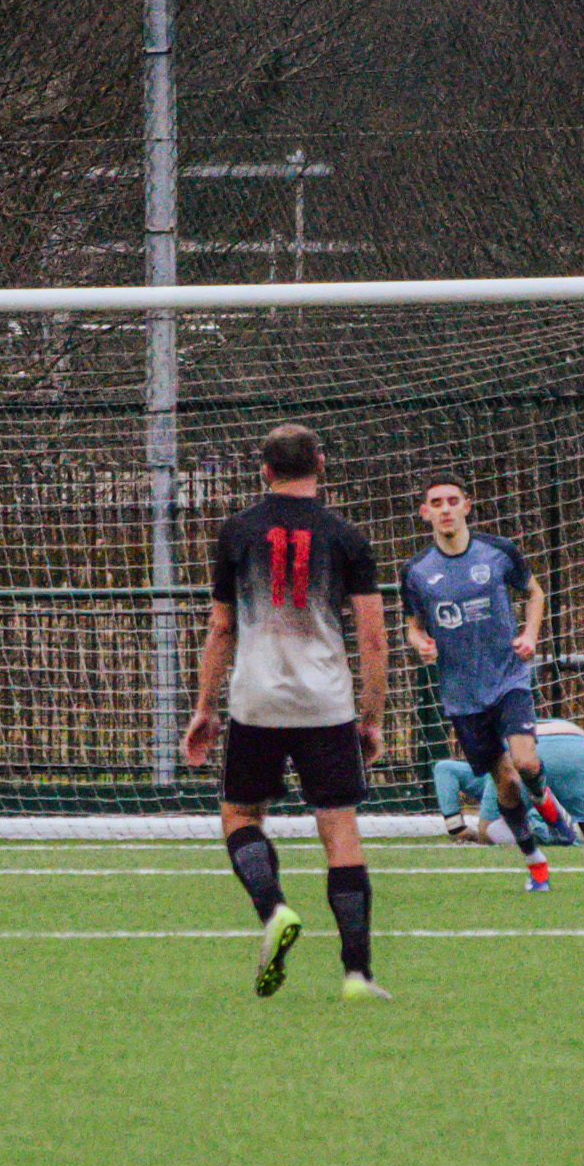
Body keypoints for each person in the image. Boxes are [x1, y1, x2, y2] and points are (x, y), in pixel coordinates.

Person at [182, 423, 391, 1002]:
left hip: (256, 703)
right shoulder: (348, 536)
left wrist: (205, 706)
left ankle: (272, 908)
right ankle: (356, 975)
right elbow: (373, 638)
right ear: (320, 464)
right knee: (340, 832)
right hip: (327, 705)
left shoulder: (238, 532)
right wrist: (370, 718)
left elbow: (221, 626)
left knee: (239, 815)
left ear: (264, 471)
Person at [401, 475, 569, 892]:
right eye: (435, 502)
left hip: (507, 678)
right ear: (425, 513)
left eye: (452, 501)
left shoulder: (497, 553)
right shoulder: (417, 571)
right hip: (462, 696)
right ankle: (535, 860)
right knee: (505, 783)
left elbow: (535, 593)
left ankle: (545, 799)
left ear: (467, 506)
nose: (444, 508)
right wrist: (421, 643)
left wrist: (529, 635)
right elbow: (412, 626)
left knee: (526, 761)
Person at [432, 717, 584, 847]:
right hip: (576, 741)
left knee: (488, 829)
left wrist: (458, 829)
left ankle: (538, 830)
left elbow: (444, 769)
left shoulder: (489, 764)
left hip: (522, 747)